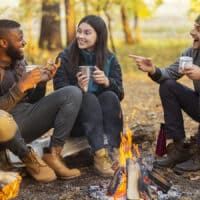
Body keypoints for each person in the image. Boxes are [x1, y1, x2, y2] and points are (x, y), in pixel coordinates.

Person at [0, 19, 83, 182]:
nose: (24, 42)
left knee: (72, 93)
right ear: (2, 42)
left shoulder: (19, 61)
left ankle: (53, 154)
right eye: (19, 39)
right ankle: (28, 157)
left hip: (22, 121)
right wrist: (20, 88)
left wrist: (41, 83)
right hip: (3, 131)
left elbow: (32, 101)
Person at [53, 15, 124, 177]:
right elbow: (58, 94)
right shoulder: (64, 58)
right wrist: (77, 89)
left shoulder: (110, 58)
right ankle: (100, 157)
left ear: (99, 36)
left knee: (110, 96)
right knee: (89, 98)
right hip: (76, 122)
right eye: (79, 32)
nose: (80, 36)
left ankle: (114, 150)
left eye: (87, 33)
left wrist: (107, 82)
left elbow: (119, 94)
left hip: (104, 122)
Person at [129, 15, 200, 173]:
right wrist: (153, 70)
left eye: (198, 29)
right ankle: (180, 148)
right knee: (167, 85)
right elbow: (169, 73)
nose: (192, 32)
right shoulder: (191, 54)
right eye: (194, 27)